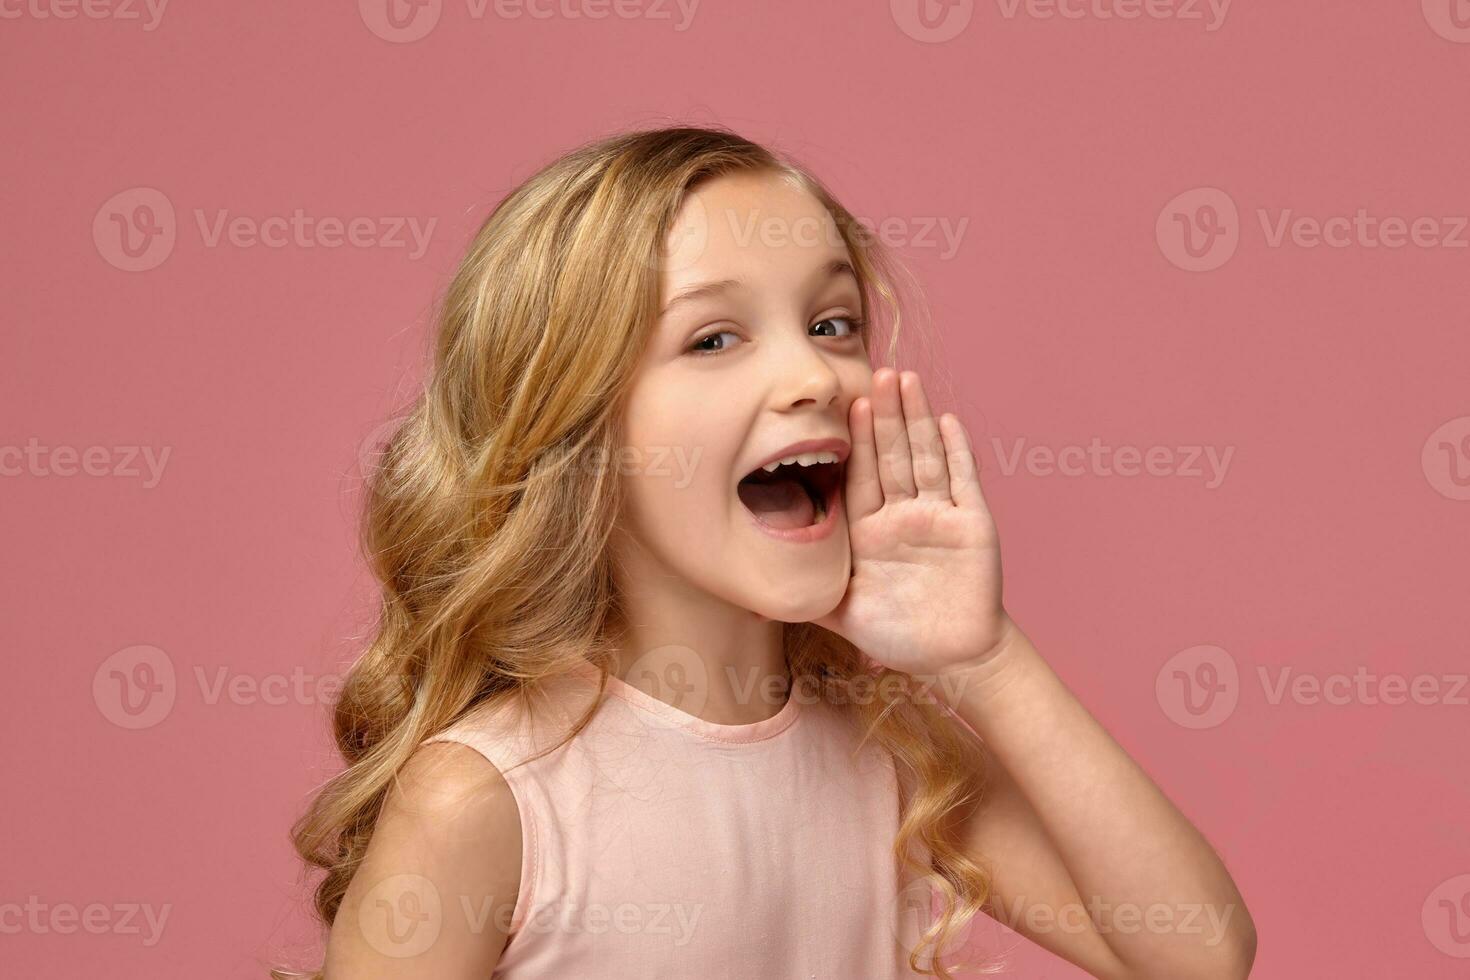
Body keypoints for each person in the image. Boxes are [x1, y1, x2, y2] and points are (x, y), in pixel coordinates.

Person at [274, 125, 1256, 979]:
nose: (813, 373)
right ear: (573, 429)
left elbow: (1197, 952)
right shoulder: (489, 797)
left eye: (833, 324)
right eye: (714, 338)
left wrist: (984, 655)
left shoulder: (891, 750)